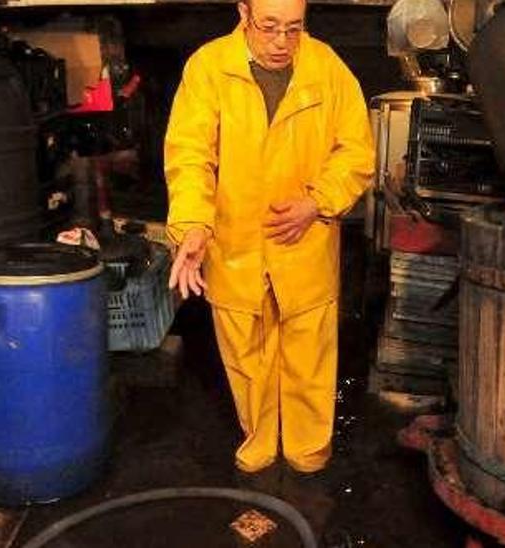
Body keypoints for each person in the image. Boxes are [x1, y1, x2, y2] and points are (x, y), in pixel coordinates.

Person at [164, 0, 373, 478]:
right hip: (235, 243)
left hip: (307, 241)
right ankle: (258, 440)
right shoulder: (209, 68)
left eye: (294, 29)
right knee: (246, 355)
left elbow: (356, 151)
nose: (282, 42)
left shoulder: (328, 68)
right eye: (270, 27)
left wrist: (317, 202)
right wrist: (193, 224)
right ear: (243, 13)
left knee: (309, 353)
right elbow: (190, 155)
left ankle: (308, 450)